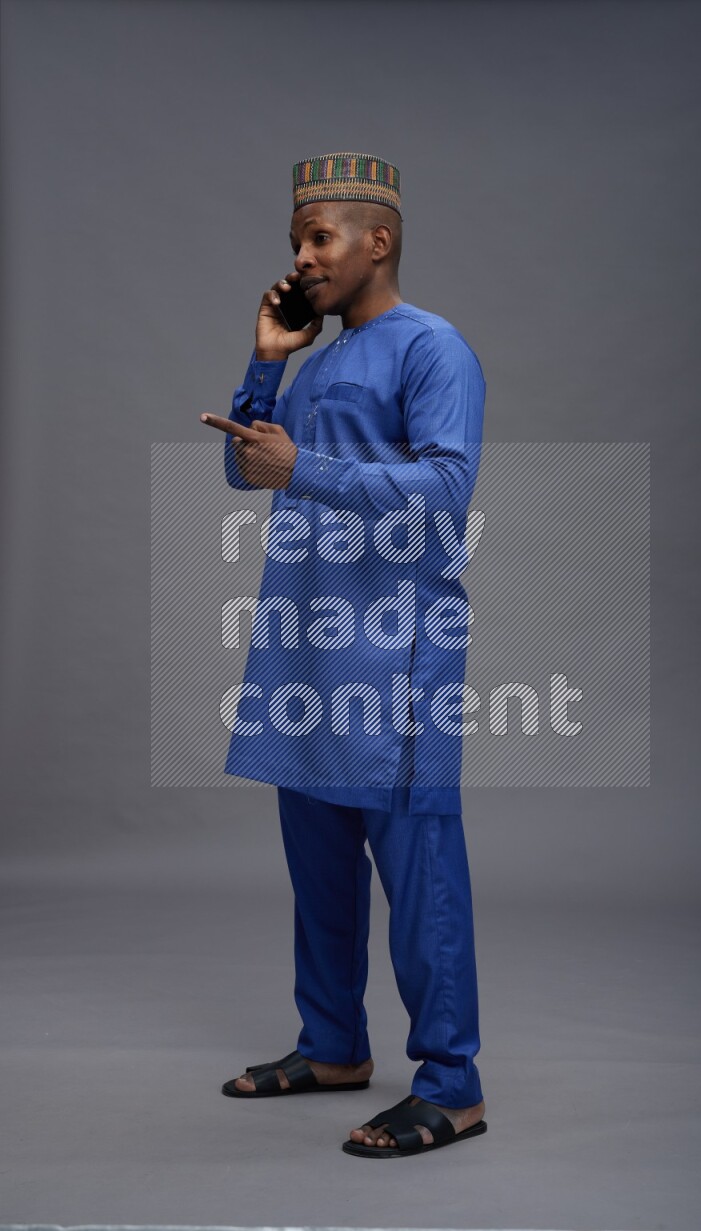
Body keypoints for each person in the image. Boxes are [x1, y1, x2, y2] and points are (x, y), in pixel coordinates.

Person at [201, 152, 487, 1158]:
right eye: (293, 243)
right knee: (316, 867)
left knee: (418, 873)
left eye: (317, 238)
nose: (302, 257)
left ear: (379, 239)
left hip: (393, 655)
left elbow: (449, 493)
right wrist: (267, 362)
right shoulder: (315, 363)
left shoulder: (432, 349)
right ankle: (331, 1045)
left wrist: (305, 465)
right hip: (306, 653)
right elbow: (249, 474)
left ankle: (450, 1083)